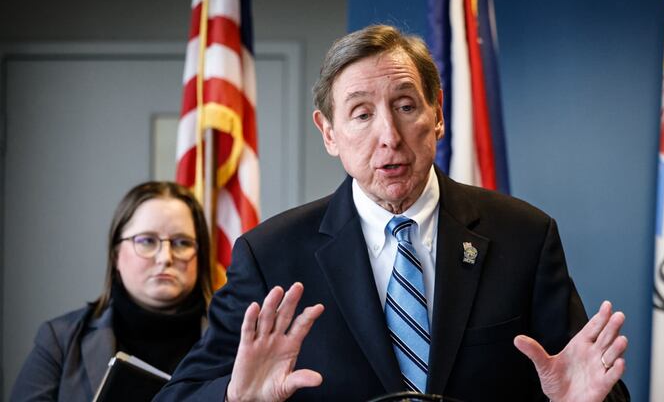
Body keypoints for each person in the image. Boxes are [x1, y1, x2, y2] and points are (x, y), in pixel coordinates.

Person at [156, 25, 630, 401]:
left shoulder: (524, 237)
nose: (389, 136)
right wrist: (235, 398)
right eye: (361, 114)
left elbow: (588, 381)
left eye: (405, 105)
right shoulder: (271, 255)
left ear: (437, 114)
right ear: (329, 133)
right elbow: (179, 395)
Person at [11, 181, 213, 401]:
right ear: (116, 254)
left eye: (182, 243)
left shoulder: (236, 340)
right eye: (146, 241)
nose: (165, 257)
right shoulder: (60, 340)